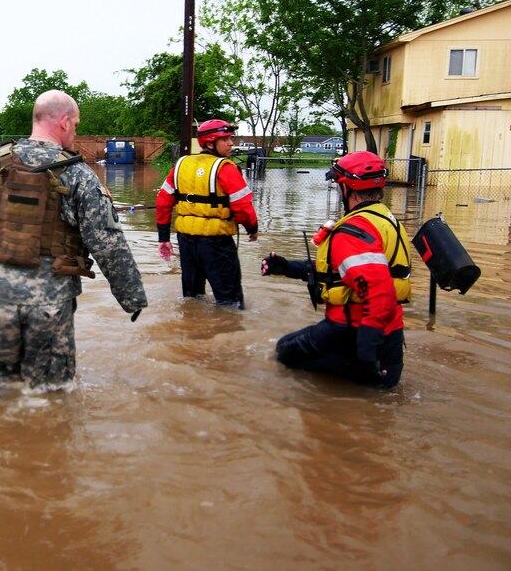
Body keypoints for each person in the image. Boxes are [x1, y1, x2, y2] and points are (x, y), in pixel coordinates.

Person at [0, 90, 148, 391]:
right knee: (52, 391)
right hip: (50, 298)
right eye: (77, 125)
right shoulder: (78, 174)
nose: (76, 131)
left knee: (3, 384)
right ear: (65, 122)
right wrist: (131, 297)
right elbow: (108, 244)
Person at [260, 151, 412, 389]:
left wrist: (368, 351)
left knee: (283, 351)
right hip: (391, 335)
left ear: (346, 188)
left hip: (352, 333)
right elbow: (345, 272)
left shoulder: (351, 231)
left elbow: (378, 291)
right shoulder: (385, 220)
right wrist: (288, 268)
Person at [155, 119, 259, 309]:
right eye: (225, 139)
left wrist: (163, 237)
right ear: (210, 143)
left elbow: (163, 200)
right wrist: (252, 228)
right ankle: (229, 334)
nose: (231, 144)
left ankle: (191, 330)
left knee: (192, 298)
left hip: (186, 241)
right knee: (231, 302)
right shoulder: (226, 168)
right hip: (217, 243)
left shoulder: (181, 165)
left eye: (230, 139)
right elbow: (243, 207)